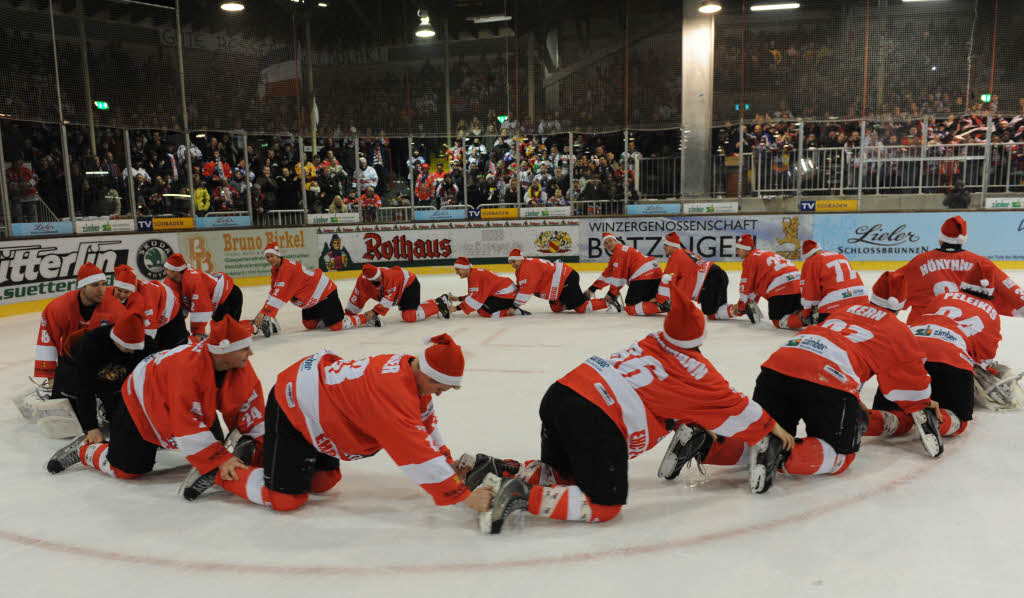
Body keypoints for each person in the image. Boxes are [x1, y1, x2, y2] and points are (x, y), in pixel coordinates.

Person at [466, 277, 793, 534]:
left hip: (562, 393)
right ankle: (520, 495)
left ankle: (499, 469)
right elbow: (735, 406)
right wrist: (772, 427)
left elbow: (664, 392)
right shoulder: (696, 371)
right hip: (595, 416)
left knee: (564, 477)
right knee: (603, 505)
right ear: (699, 338)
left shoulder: (652, 342)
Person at [682, 272, 940, 496]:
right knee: (839, 457)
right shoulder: (897, 329)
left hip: (777, 368)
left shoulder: (844, 309)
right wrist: (922, 404)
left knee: (768, 434)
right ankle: (781, 454)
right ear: (903, 304)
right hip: (827, 380)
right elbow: (908, 386)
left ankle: (707, 445)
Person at [206, 334, 494, 514]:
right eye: (441, 387)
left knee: (325, 482)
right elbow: (415, 453)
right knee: (285, 500)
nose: (441, 394)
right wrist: (462, 496)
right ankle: (220, 472)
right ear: (428, 376)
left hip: (321, 412)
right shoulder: (392, 393)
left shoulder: (412, 376)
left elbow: (427, 427)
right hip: (293, 407)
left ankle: (259, 453)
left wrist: (448, 463)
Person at [46, 316, 266, 498]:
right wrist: (219, 458)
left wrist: (263, 447)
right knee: (127, 469)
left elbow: (250, 410)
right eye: (244, 348)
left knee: (213, 448)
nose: (251, 354)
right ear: (223, 352)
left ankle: (208, 461)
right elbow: (186, 424)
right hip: (140, 401)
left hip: (172, 398)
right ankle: (85, 449)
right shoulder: (187, 373)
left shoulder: (239, 367)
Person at [867, 266, 1003, 440]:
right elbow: (985, 357)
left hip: (910, 351)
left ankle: (864, 422)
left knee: (894, 413)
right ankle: (938, 420)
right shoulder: (991, 311)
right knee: (959, 420)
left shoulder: (943, 296)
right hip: (951, 358)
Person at [895, 216, 1024, 321]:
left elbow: (890, 287)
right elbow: (1013, 292)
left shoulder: (921, 261)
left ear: (941, 238)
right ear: (962, 240)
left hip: (922, 330)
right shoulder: (980, 263)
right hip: (963, 333)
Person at [66, 311, 154, 445]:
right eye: (128, 348)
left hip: (121, 384)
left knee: (125, 426)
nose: (132, 351)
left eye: (136, 348)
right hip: (89, 377)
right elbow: (84, 387)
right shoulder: (92, 344)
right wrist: (91, 427)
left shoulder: (147, 346)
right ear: (115, 340)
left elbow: (151, 382)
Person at [255, 242, 379, 335]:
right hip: (311, 299)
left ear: (278, 255)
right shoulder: (276, 269)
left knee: (336, 326)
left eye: (272, 256)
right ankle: (334, 317)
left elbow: (280, 295)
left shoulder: (286, 270)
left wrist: (265, 312)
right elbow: (273, 291)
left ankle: (366, 318)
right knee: (309, 324)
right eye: (267, 257)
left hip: (324, 293)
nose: (270, 259)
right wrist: (264, 311)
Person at [162, 253, 243, 341]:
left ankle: (254, 326)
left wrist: (197, 333)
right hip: (215, 301)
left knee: (227, 337)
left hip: (229, 296)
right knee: (220, 334)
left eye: (167, 269)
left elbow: (202, 306)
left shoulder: (193, 280)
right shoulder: (172, 281)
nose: (165, 272)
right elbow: (177, 307)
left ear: (176, 271)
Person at [507, 249, 615, 313]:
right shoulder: (521, 269)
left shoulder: (526, 268)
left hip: (565, 279)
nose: (512, 265)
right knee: (556, 307)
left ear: (520, 258)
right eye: (510, 263)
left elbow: (527, 290)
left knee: (581, 308)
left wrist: (513, 306)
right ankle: (579, 299)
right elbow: (522, 288)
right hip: (557, 285)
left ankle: (608, 301)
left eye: (514, 261)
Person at [733, 234, 804, 329]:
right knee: (796, 312)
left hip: (781, 286)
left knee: (779, 321)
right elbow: (755, 287)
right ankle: (809, 315)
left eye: (738, 249)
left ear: (745, 249)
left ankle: (805, 319)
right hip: (798, 283)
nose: (737, 252)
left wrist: (741, 307)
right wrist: (750, 303)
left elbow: (746, 286)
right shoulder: (766, 253)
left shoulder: (749, 259)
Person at [587, 232, 666, 316]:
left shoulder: (619, 253)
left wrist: (611, 294)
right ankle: (664, 302)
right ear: (604, 247)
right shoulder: (619, 252)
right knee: (645, 300)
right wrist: (593, 288)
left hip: (644, 275)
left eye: (610, 241)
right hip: (655, 273)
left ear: (615, 241)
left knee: (630, 307)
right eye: (606, 243)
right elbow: (607, 274)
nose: (609, 244)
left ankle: (661, 306)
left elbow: (619, 278)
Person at [661, 232, 735, 320]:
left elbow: (666, 282)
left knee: (710, 312)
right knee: (717, 311)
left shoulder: (675, 257)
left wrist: (661, 300)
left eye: (666, 245)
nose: (664, 247)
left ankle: (742, 308)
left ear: (672, 245)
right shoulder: (685, 252)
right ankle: (741, 308)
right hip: (718, 274)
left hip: (710, 280)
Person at [345, 263, 450, 323]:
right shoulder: (362, 282)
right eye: (378, 278)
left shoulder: (389, 277)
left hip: (409, 285)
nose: (381, 277)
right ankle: (435, 302)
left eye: (380, 274)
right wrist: (348, 315)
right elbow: (357, 298)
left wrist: (373, 312)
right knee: (408, 314)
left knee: (409, 316)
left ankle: (438, 304)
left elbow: (388, 300)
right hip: (397, 288)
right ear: (369, 280)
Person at [798, 240, 868, 323]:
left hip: (836, 304)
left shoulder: (811, 261)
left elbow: (810, 292)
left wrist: (806, 314)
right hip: (861, 298)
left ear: (806, 256)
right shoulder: (839, 255)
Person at [447, 257, 525, 318]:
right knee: (481, 307)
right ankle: (509, 308)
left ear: (465, 268)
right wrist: (458, 299)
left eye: (458, 270)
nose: (456, 272)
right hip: (507, 294)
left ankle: (511, 311)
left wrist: (456, 308)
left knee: (483, 311)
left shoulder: (474, 276)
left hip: (507, 295)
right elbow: (476, 295)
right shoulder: (474, 273)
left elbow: (475, 298)